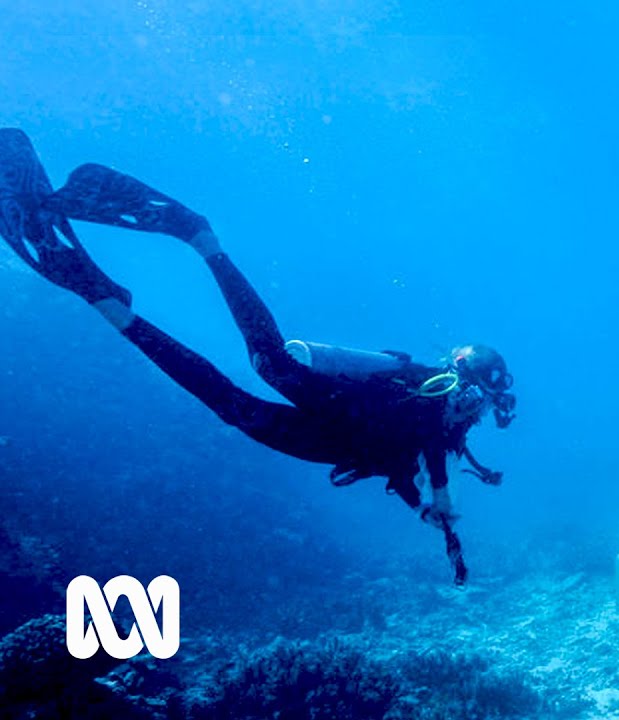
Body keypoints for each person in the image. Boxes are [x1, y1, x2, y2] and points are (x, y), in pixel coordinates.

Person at [0, 129, 515, 584]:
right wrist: (442, 492)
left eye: (483, 403)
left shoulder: (451, 431)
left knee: (230, 406)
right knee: (269, 362)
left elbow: (401, 464)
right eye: (476, 393)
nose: (475, 406)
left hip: (330, 441)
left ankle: (107, 303)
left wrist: (420, 504)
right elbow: (422, 425)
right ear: (461, 378)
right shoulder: (431, 390)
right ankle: (202, 238)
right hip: (337, 406)